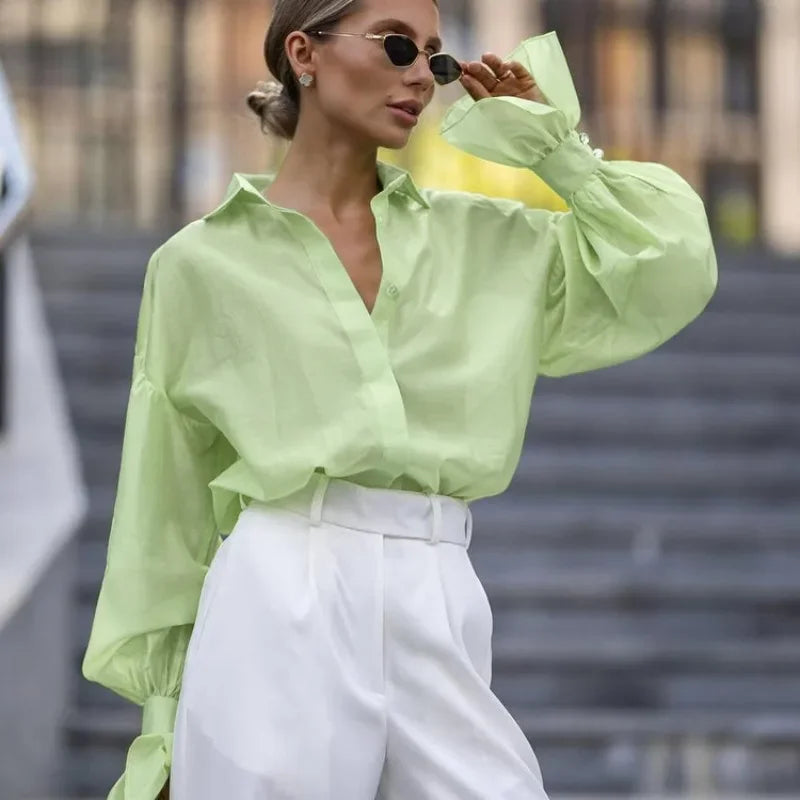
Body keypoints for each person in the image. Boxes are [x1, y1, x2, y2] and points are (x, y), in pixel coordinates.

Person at [80, 0, 718, 798]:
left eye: (436, 55)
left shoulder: (489, 243)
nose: (422, 73)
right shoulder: (198, 266)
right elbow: (164, 518)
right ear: (303, 53)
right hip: (276, 587)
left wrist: (553, 148)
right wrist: (163, 736)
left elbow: (672, 263)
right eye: (395, 45)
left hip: (437, 582)